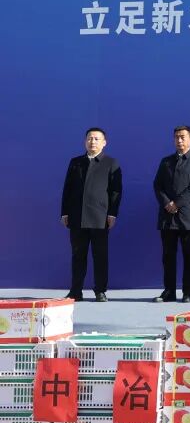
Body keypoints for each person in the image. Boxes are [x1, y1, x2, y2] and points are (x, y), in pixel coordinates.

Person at [60, 127, 122, 302]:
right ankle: (75, 291)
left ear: (104, 142)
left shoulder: (111, 163)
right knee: (78, 255)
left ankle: (100, 291)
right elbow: (67, 188)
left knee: (100, 256)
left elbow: (116, 191)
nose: (92, 142)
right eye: (89, 138)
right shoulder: (76, 162)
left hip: (100, 218)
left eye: (96, 139)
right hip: (77, 216)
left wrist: (112, 214)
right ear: (85, 141)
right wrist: (64, 212)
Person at [153, 125, 190, 303]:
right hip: (167, 217)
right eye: (176, 137)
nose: (179, 140)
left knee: (189, 256)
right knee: (168, 257)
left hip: (188, 217)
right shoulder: (166, 161)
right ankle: (169, 291)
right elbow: (157, 185)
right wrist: (167, 203)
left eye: (183, 137)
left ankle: (188, 292)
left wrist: (177, 203)